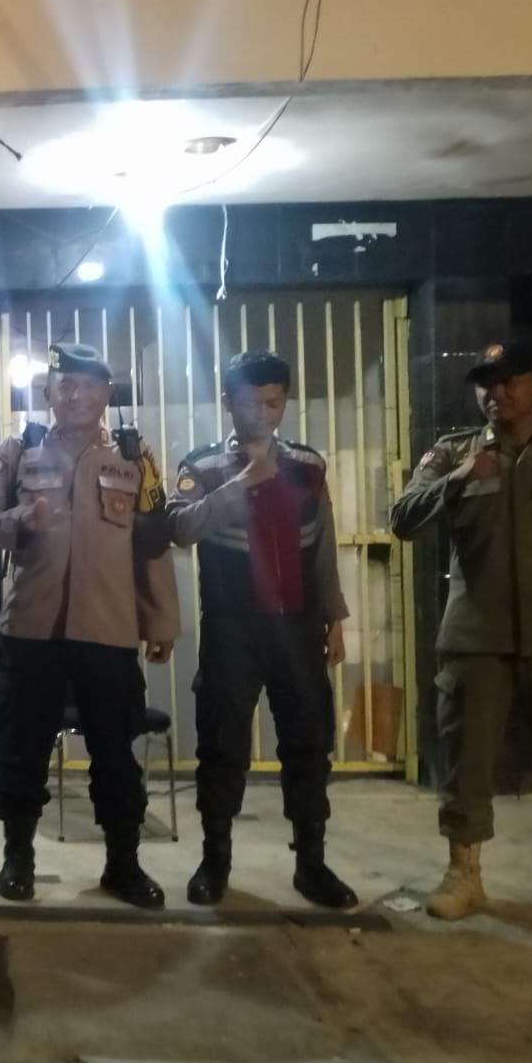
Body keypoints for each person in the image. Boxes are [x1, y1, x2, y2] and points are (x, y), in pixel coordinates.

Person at [390, 340, 532, 939]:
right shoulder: (453, 453)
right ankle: (464, 874)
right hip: (474, 634)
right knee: (467, 760)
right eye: (485, 382)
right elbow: (402, 518)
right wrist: (456, 479)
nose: (496, 392)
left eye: (509, 380)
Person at [0, 342, 177, 908]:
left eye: (88, 386)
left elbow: (152, 546)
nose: (77, 396)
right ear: (48, 393)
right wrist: (22, 518)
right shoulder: (21, 449)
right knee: (22, 750)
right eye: (66, 386)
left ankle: (123, 865)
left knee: (115, 754)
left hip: (109, 632)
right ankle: (18, 857)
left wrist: (161, 620)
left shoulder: (134, 457)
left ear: (106, 393)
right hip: (31, 631)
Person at [165, 351, 357, 910]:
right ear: (228, 402)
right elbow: (179, 528)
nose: (263, 413)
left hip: (298, 627)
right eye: (251, 403)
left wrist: (334, 618)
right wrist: (240, 484)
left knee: (309, 745)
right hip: (232, 628)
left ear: (285, 401)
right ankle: (215, 862)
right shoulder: (202, 465)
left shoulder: (308, 464)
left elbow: (323, 545)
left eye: (274, 402)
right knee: (222, 745)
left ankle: (311, 864)